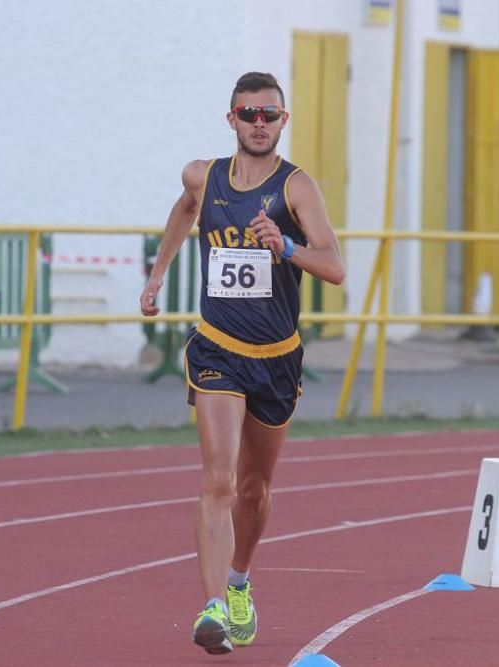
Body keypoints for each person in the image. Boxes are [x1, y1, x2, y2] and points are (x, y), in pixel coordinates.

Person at [140, 71, 346, 655]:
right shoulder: (203, 176)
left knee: (255, 491)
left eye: (270, 115)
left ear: (284, 121)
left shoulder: (297, 189)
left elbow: (335, 267)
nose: (260, 123)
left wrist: (284, 246)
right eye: (249, 114)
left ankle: (237, 583)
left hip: (277, 358)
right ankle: (211, 611)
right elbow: (185, 209)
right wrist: (157, 277)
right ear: (230, 119)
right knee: (220, 481)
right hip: (218, 349)